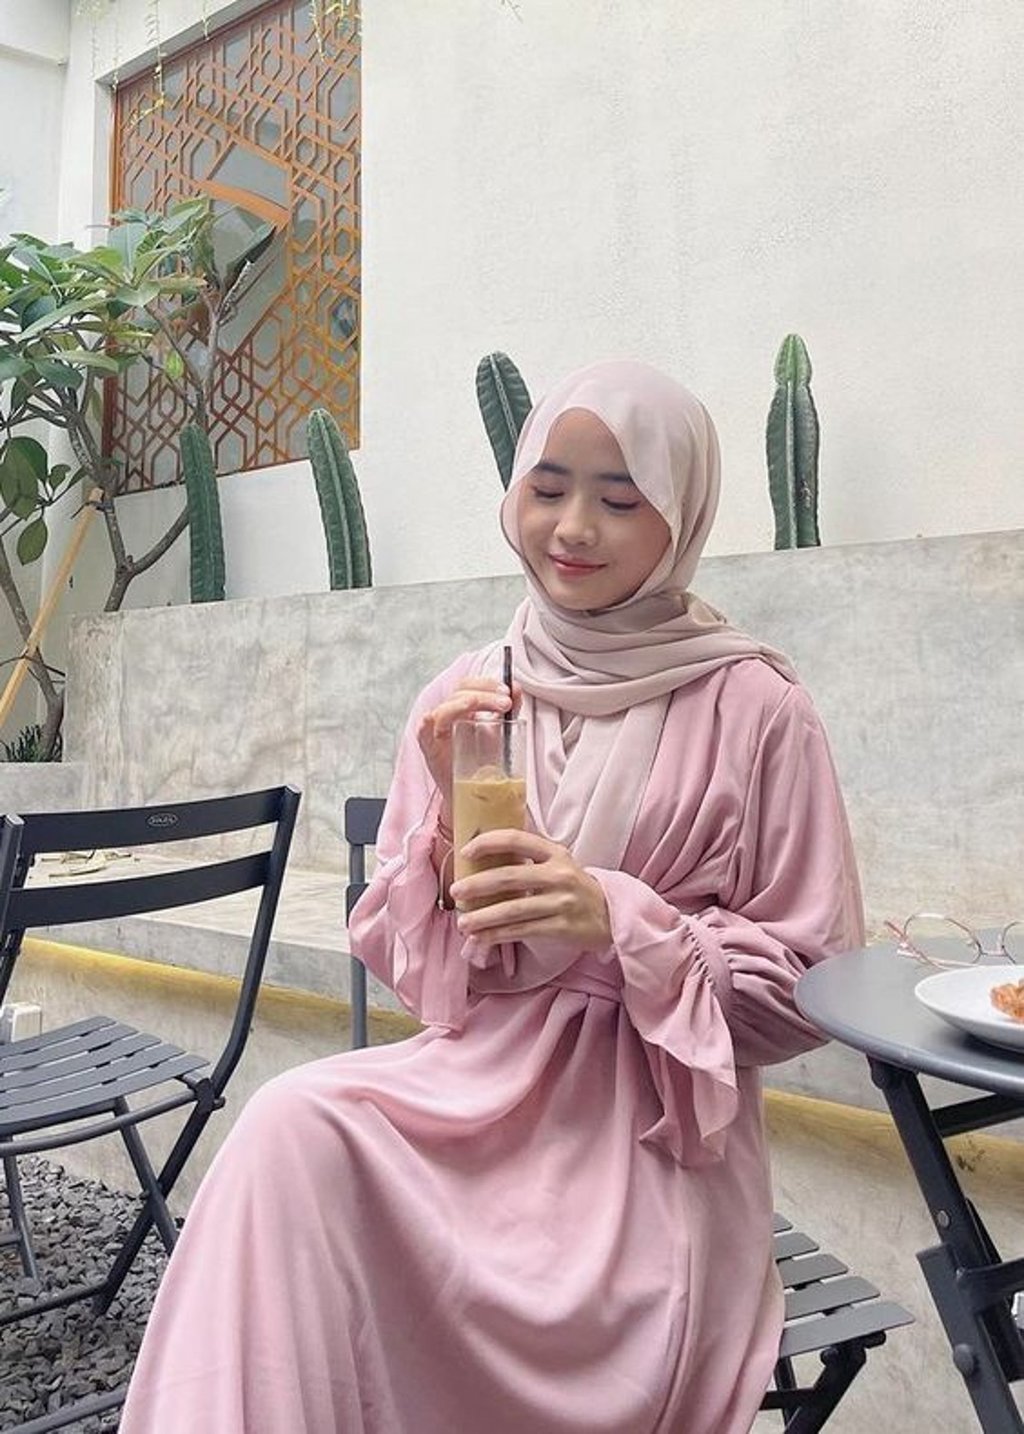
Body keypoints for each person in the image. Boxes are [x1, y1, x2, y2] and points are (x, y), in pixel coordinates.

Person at [120, 360, 863, 1434]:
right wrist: (430, 842)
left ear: (683, 515)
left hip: (647, 1136)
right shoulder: (471, 692)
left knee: (580, 1307)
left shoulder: (756, 706)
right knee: (290, 1124)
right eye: (547, 488)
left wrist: (620, 923)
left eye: (621, 500)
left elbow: (810, 986)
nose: (574, 528)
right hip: (472, 1087)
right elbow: (428, 985)